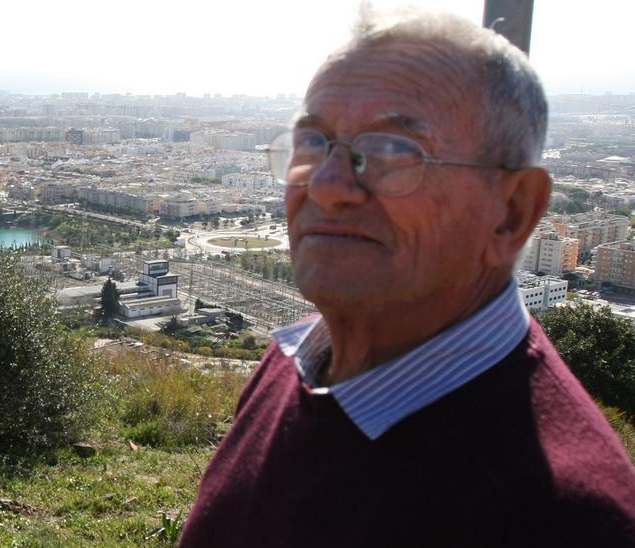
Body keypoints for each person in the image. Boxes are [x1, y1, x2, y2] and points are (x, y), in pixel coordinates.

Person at [179, 8, 635, 547]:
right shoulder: (292, 361)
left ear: (512, 212)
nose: (327, 186)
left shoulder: (560, 516)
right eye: (312, 145)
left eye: (393, 152)